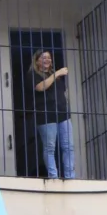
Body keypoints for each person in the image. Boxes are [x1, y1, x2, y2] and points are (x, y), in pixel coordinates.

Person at [30, 50, 74, 179]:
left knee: (68, 146)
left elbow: (63, 92)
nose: (47, 60)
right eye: (43, 58)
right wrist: (57, 73)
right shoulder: (34, 75)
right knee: (50, 148)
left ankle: (70, 176)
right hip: (46, 116)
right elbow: (40, 87)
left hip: (62, 113)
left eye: (49, 58)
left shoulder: (55, 77)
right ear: (37, 61)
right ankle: (53, 176)